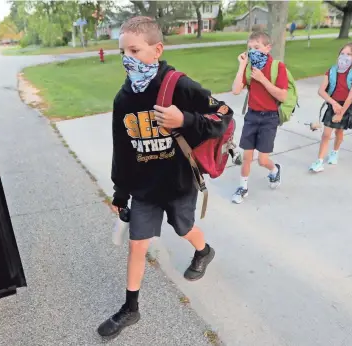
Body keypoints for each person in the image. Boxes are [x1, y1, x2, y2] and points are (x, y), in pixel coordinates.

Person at [98, 16, 232, 338]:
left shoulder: (179, 86)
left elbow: (224, 115)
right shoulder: (124, 98)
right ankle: (131, 308)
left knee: (183, 227)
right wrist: (120, 193)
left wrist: (184, 119)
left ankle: (203, 251)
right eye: (122, 52)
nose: (128, 59)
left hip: (178, 183)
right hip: (144, 189)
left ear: (156, 49)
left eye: (135, 50)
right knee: (137, 245)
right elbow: (123, 149)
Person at [231, 31, 287, 204]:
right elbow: (235, 90)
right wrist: (242, 65)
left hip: (269, 118)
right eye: (250, 48)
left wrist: (262, 79)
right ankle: (243, 187)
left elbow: (283, 96)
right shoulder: (249, 68)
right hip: (252, 116)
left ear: (267, 48)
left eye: (257, 47)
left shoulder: (278, 67)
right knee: (247, 157)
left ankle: (274, 170)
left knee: (262, 160)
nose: (253, 51)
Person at [309, 42, 352, 172]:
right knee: (326, 134)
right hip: (333, 103)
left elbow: (351, 95)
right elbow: (321, 91)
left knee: (339, 131)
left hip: (347, 105)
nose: (344, 57)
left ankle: (335, 151)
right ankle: (319, 161)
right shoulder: (332, 71)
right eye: (342, 53)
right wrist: (333, 103)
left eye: (349, 54)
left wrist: (341, 112)